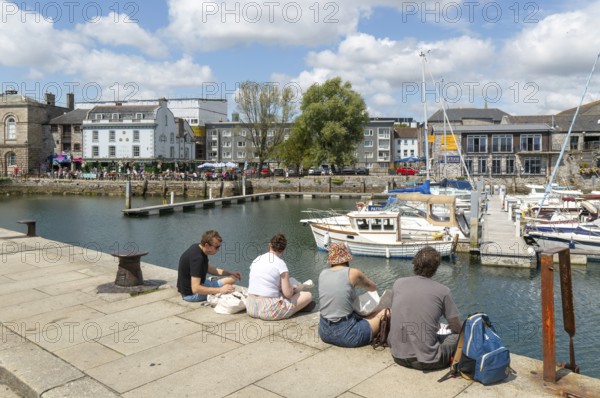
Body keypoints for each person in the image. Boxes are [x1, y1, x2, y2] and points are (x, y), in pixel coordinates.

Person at [388, 246, 462, 370]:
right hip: (427, 361)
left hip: (397, 355)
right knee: (461, 335)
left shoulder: (398, 283)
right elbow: (456, 327)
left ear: (414, 264)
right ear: (436, 268)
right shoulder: (443, 291)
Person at [318, 242, 388, 348]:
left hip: (324, 332)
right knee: (387, 312)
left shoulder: (322, 273)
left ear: (331, 261)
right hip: (348, 335)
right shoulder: (353, 273)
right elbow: (373, 287)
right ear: (347, 258)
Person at [246, 233, 313, 320]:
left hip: (251, 306)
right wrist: (296, 289)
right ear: (283, 250)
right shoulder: (280, 263)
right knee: (308, 295)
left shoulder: (257, 259)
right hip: (268, 310)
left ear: (269, 245)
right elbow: (288, 294)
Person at [177, 230, 242, 302]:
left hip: (198, 284)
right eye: (216, 247)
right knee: (228, 288)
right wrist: (220, 290)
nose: (218, 249)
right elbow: (195, 288)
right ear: (207, 246)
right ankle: (214, 284)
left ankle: (213, 283)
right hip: (191, 295)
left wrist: (230, 273)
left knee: (233, 278)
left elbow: (210, 269)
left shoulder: (198, 247)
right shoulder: (197, 259)